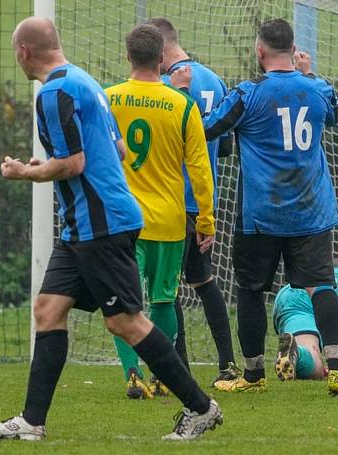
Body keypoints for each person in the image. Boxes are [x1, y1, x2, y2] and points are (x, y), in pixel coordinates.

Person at [0, 17, 222, 441]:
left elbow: (74, 163)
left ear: (24, 52)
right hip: (83, 226)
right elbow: (119, 149)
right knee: (48, 310)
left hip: (101, 223)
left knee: (126, 322)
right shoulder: (82, 80)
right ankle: (32, 422)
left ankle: (202, 408)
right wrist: (49, 167)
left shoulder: (54, 92)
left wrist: (24, 172)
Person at [172, 19, 338, 397]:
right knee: (321, 285)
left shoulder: (248, 93)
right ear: (292, 49)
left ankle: (254, 375)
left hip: (262, 213)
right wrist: (310, 73)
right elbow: (334, 115)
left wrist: (184, 95)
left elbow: (204, 129)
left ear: (260, 51)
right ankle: (337, 367)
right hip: (313, 210)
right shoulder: (319, 89)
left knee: (251, 290)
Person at [104, 24, 217, 399]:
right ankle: (161, 375)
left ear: (128, 56)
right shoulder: (183, 105)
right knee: (164, 299)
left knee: (125, 302)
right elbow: (200, 169)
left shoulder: (108, 99)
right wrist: (205, 220)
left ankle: (132, 374)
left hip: (122, 220)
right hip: (169, 220)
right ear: (162, 59)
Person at [148, 17, 239, 386]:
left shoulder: (166, 88)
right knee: (204, 282)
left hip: (167, 198)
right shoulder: (215, 80)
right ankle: (227, 364)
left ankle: (180, 370)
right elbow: (227, 146)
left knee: (165, 289)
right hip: (202, 200)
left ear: (160, 49)